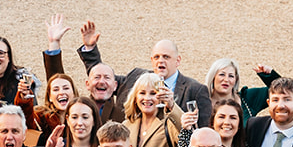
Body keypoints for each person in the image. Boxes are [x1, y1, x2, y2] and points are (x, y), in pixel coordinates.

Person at [76, 22, 212, 126]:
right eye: (157, 57)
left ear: (178, 61)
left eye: (166, 57)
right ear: (152, 60)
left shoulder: (195, 90)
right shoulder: (136, 77)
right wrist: (90, 50)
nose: (161, 61)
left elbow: (200, 130)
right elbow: (103, 79)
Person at [122, 72, 186, 147]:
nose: (147, 98)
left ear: (161, 97)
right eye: (142, 93)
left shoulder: (170, 123)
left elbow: (186, 132)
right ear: (135, 98)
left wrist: (172, 105)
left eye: (153, 93)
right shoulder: (126, 125)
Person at [174, 97, 247, 147]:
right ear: (213, 122)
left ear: (239, 124)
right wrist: (186, 130)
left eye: (233, 118)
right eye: (221, 117)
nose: (227, 122)